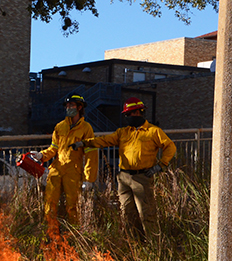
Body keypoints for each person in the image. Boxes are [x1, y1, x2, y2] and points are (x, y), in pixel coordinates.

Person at [71, 97, 176, 240]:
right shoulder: (123, 132)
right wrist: (84, 143)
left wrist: (160, 166)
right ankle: (136, 245)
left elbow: (170, 147)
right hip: (124, 178)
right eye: (126, 115)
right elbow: (104, 140)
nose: (127, 117)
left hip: (142, 178)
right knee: (128, 214)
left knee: (147, 214)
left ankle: (154, 247)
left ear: (139, 112)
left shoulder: (153, 131)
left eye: (130, 114)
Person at [30, 94, 98, 235]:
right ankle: (49, 233)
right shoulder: (60, 127)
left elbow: (91, 155)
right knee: (50, 202)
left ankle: (74, 235)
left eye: (71, 106)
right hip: (56, 169)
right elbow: (53, 148)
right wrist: (42, 155)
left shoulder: (86, 128)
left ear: (80, 107)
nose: (68, 108)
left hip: (73, 171)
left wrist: (89, 179)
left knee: (72, 206)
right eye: (67, 106)